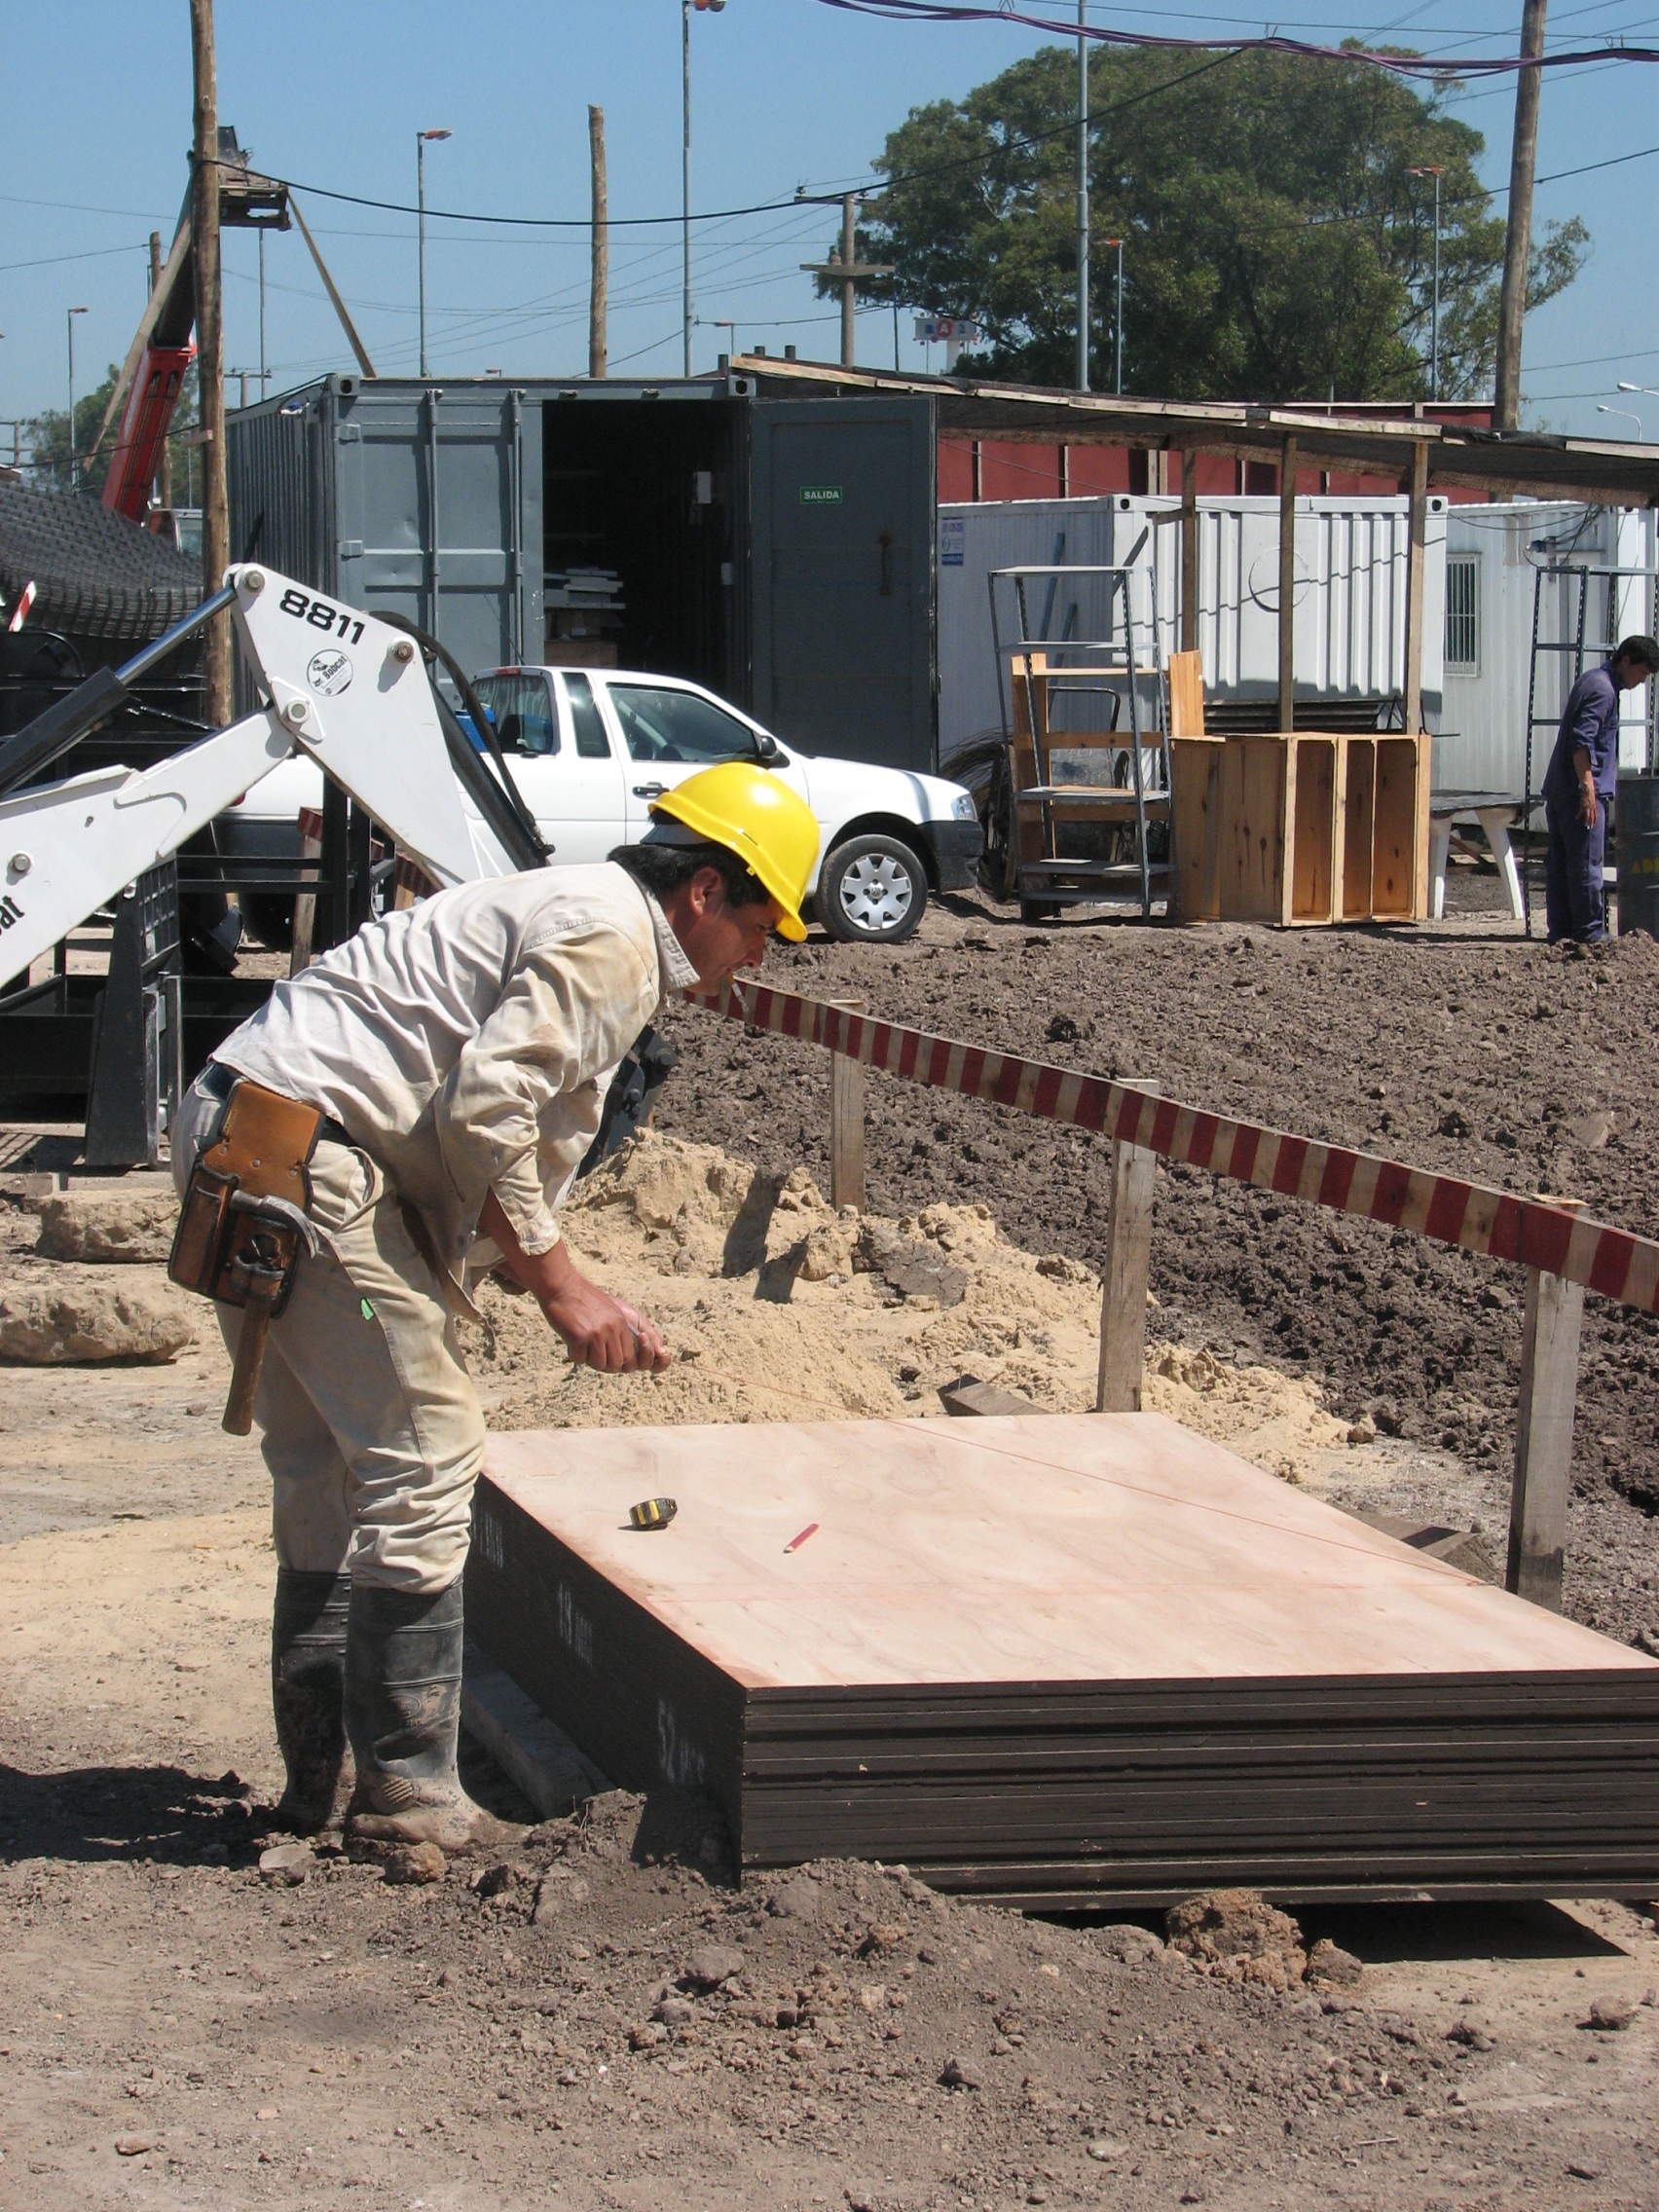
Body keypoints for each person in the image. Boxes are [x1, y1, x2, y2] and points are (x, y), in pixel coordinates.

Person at [170, 762, 820, 1852]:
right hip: (305, 1167)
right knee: (428, 1451)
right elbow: (486, 1112)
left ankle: (318, 1788)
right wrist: (563, 1284)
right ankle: (409, 1803)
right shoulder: (613, 936)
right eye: (761, 928)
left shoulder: (567, 910)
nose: (754, 961)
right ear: (705, 891)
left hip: (251, 1140)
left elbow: (461, 1131)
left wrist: (540, 1267)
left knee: (326, 1465)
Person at [1541, 634, 1659, 944]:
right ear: (1626, 661)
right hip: (1580, 794)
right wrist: (1588, 789)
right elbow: (1583, 742)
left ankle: (1562, 931)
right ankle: (1590, 932)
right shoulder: (1604, 691)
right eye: (1642, 672)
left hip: (1560, 791)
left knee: (1562, 864)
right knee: (1586, 863)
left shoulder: (1593, 680)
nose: (1642, 680)